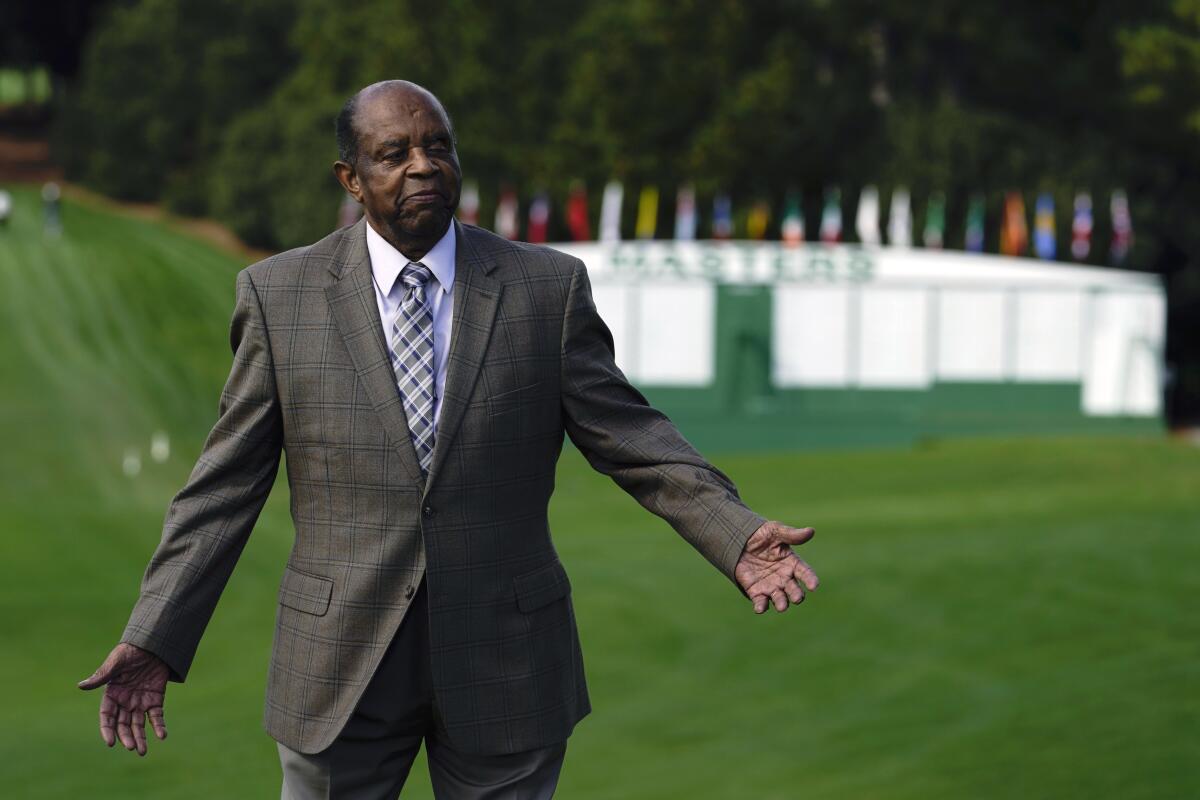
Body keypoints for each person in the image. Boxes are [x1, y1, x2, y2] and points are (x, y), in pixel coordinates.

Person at [78, 80, 820, 798]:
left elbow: (631, 434)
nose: (422, 165)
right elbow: (224, 486)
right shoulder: (279, 298)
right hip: (340, 666)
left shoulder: (546, 289)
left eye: (438, 146)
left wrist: (734, 531)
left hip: (509, 658)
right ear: (351, 178)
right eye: (393, 152)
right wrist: (156, 636)